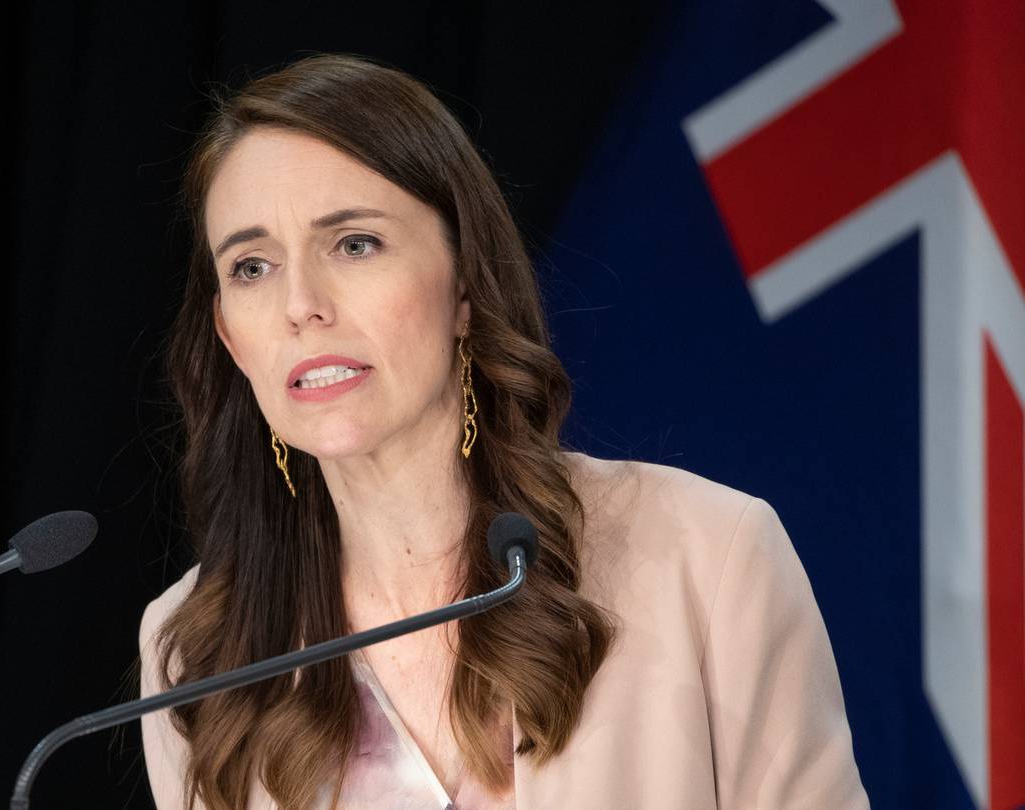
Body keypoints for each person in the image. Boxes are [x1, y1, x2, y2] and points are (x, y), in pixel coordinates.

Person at [138, 53, 868, 810]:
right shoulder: (200, 656)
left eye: (354, 244)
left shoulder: (708, 556)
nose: (301, 305)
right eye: (252, 266)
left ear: (463, 285)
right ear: (229, 335)